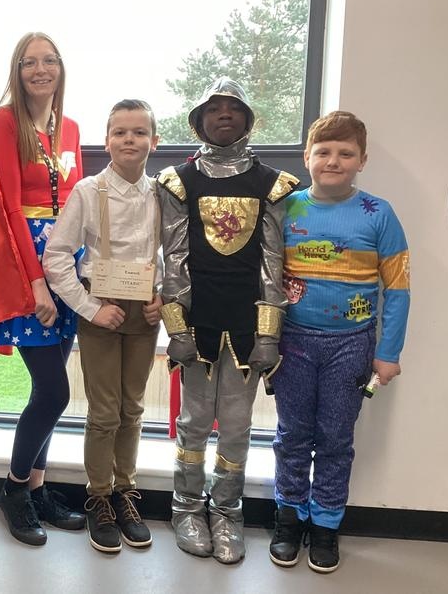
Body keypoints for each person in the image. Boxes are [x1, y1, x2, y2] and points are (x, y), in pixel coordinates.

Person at [157, 77, 298, 564]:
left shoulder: (271, 185)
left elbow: (273, 263)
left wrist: (269, 335)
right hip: (197, 323)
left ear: (247, 118)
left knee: (236, 427)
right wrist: (176, 328)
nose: (223, 115)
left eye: (233, 108)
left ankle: (227, 512)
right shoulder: (178, 181)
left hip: (246, 325)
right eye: (214, 108)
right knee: (193, 423)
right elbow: (172, 258)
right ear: (199, 120)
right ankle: (186, 507)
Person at [268, 111, 410, 573]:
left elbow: (398, 289)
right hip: (292, 342)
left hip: (352, 345)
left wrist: (387, 353)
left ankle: (326, 523)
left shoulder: (379, 214)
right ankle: (289, 517)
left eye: (345, 153)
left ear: (362, 161)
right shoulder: (286, 209)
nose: (333, 161)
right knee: (292, 435)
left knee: (335, 438)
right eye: (324, 152)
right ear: (306, 157)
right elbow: (265, 277)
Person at [0, 32, 86, 545]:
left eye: (49, 60)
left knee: (48, 390)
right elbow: (8, 206)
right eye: (29, 62)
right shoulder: (3, 122)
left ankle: (37, 489)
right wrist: (35, 281)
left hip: (68, 261)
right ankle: (14, 490)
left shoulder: (71, 127)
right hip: (26, 264)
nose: (40, 69)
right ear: (16, 72)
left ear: (61, 68)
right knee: (55, 391)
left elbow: (78, 202)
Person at [44, 99, 163, 553]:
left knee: (133, 408)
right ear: (107, 140)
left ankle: (125, 492)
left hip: (144, 310)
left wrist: (164, 298)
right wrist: (89, 308)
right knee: (105, 410)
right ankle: (98, 496)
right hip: (102, 306)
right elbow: (57, 255)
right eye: (120, 132)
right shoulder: (87, 191)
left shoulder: (164, 194)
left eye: (139, 132)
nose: (129, 140)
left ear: (154, 141)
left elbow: (176, 255)